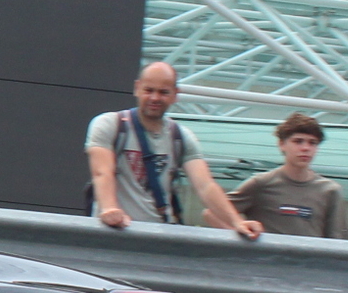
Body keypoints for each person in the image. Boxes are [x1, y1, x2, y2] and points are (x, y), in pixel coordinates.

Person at [87, 62, 261, 239]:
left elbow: (205, 185)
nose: (155, 98)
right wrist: (109, 208)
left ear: (175, 95)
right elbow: (102, 172)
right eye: (149, 90)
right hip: (115, 232)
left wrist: (236, 222)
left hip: (158, 236)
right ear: (137, 88)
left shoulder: (181, 137)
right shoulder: (110, 125)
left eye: (163, 92)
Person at [230, 113, 348, 240]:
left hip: (310, 259)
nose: (305, 148)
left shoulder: (329, 190)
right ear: (282, 144)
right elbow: (214, 212)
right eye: (298, 141)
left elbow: (338, 238)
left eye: (312, 143)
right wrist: (242, 239)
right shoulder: (261, 183)